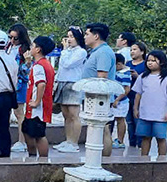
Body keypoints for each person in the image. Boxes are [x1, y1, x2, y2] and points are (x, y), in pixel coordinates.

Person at [74, 22, 117, 155]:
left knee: (103, 128)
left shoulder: (103, 53)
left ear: (96, 36)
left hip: (98, 98)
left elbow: (102, 78)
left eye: (87, 34)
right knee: (97, 128)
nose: (84, 37)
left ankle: (104, 159)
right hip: (90, 97)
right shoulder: (96, 52)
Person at [52, 27, 87, 154]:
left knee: (74, 114)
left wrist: (65, 50)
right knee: (65, 115)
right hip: (62, 82)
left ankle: (74, 143)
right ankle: (68, 140)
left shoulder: (81, 52)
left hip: (73, 83)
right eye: (68, 36)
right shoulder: (67, 51)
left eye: (72, 36)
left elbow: (68, 64)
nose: (69, 39)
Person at [23, 36, 56, 160]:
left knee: (38, 134)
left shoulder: (39, 66)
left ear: (38, 49)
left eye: (33, 45)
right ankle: (33, 155)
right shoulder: (44, 64)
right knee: (27, 130)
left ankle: (42, 159)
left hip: (38, 108)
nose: (30, 48)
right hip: (40, 105)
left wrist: (36, 101)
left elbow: (41, 83)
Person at [133, 50, 167, 160]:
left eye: (153, 60)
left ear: (162, 62)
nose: (150, 63)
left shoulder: (165, 78)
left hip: (160, 115)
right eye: (148, 60)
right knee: (145, 137)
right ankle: (144, 160)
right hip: (145, 113)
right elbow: (138, 94)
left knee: (161, 138)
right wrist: (135, 108)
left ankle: (162, 160)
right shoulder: (143, 77)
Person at [7, 23, 32, 153]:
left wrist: (27, 63)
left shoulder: (25, 50)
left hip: (19, 84)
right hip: (7, 83)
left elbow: (26, 71)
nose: (12, 40)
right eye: (10, 37)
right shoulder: (8, 47)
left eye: (15, 38)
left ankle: (22, 141)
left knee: (19, 113)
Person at [126, 41, 149, 148]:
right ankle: (132, 143)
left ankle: (140, 144)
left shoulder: (145, 65)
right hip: (127, 95)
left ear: (142, 51)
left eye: (135, 49)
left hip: (139, 96)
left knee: (138, 120)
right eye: (131, 50)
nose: (132, 52)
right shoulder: (127, 64)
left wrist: (137, 76)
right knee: (129, 121)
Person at [111, 53, 132, 149]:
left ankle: (120, 140)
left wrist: (117, 99)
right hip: (114, 99)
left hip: (121, 101)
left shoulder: (125, 74)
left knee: (120, 120)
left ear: (118, 64)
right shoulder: (116, 73)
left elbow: (126, 89)